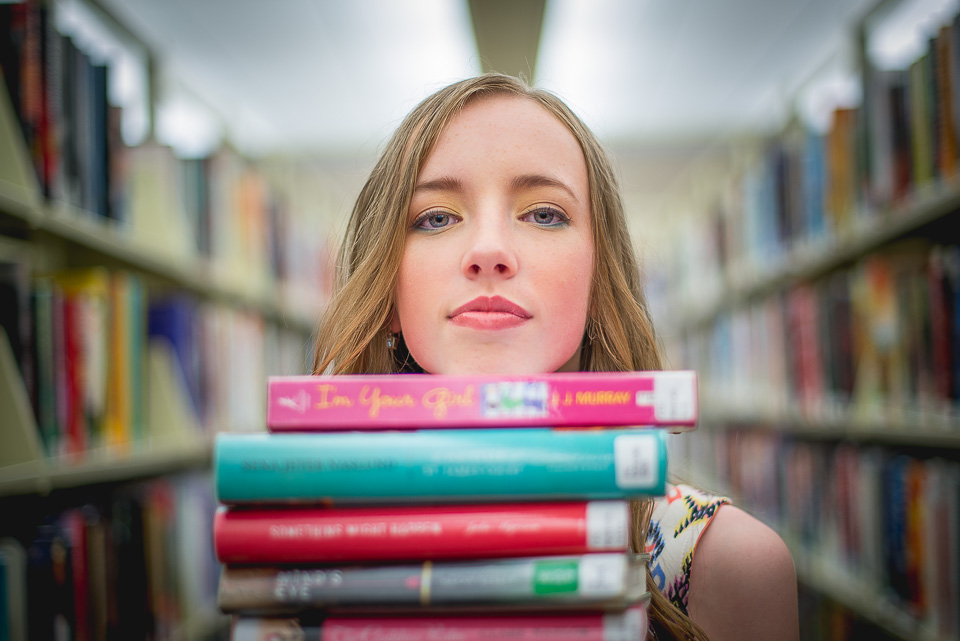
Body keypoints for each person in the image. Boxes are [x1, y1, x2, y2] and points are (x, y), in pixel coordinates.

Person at [312, 73, 799, 640]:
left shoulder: (729, 567)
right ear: (389, 292)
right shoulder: (302, 546)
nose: (489, 251)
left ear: (597, 281)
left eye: (544, 213)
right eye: (436, 217)